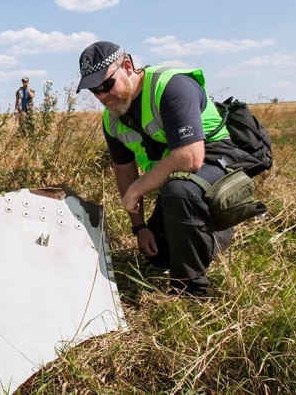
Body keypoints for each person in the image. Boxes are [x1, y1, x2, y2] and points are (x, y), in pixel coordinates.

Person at [76, 41, 248, 296]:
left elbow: (190, 158)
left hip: (216, 162)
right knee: (159, 255)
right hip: (173, 181)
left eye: (106, 85)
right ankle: (210, 234)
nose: (102, 96)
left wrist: (136, 190)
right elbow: (125, 171)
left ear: (127, 66)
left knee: (180, 191)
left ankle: (189, 290)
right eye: (94, 91)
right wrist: (139, 227)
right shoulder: (112, 119)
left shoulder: (170, 87)